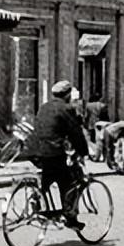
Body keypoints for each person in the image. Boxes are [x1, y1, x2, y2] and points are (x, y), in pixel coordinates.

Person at [28, 81, 90, 230]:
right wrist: (83, 152)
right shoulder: (66, 108)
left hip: (34, 150)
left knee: (48, 177)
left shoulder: (44, 107)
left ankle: (36, 196)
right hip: (52, 151)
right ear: (68, 95)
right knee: (69, 182)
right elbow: (75, 132)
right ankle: (70, 218)